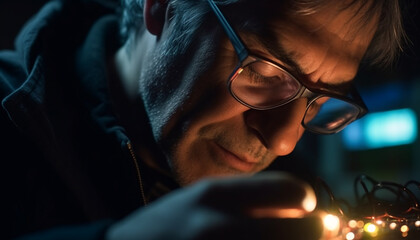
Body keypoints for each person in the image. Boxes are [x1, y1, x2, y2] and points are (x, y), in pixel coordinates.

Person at [0, 0, 405, 239]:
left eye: (317, 102)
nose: (283, 142)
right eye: (265, 73)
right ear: (161, 6)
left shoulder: (293, 195)